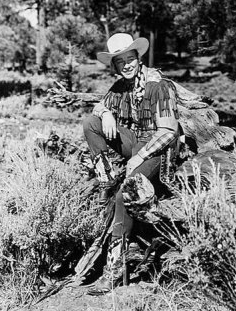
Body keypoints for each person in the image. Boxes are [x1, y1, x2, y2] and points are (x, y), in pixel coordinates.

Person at [83, 32, 180, 294]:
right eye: (119, 61)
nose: (126, 65)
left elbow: (169, 132)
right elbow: (97, 109)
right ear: (114, 65)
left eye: (130, 59)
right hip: (134, 143)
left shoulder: (158, 86)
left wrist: (138, 156)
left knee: (125, 194)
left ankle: (114, 269)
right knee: (90, 123)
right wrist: (105, 114)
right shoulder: (120, 88)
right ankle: (106, 177)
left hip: (157, 150)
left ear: (138, 58)